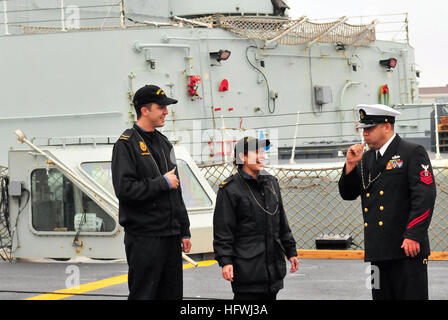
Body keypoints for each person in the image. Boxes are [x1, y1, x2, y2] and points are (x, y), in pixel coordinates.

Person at [338, 104, 436, 300]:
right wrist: (350, 164)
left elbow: (425, 196)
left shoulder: (411, 152)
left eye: (369, 128)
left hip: (406, 249)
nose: (364, 134)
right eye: (363, 129)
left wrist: (413, 234)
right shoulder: (365, 160)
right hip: (377, 252)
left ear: (387, 126)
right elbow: (348, 193)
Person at [111, 84, 191, 300]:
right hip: (145, 237)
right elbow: (125, 189)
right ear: (144, 110)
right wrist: (161, 183)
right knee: (144, 295)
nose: (166, 111)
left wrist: (184, 229)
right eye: (161, 107)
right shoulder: (126, 145)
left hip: (170, 235)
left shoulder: (165, 144)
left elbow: (177, 190)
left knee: (172, 294)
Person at [213, 136, 299, 300]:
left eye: (263, 152)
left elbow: (281, 221)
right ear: (242, 157)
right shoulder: (230, 190)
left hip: (272, 271)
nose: (263, 156)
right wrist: (226, 261)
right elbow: (224, 230)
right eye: (256, 152)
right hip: (247, 271)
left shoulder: (271, 184)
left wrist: (291, 251)